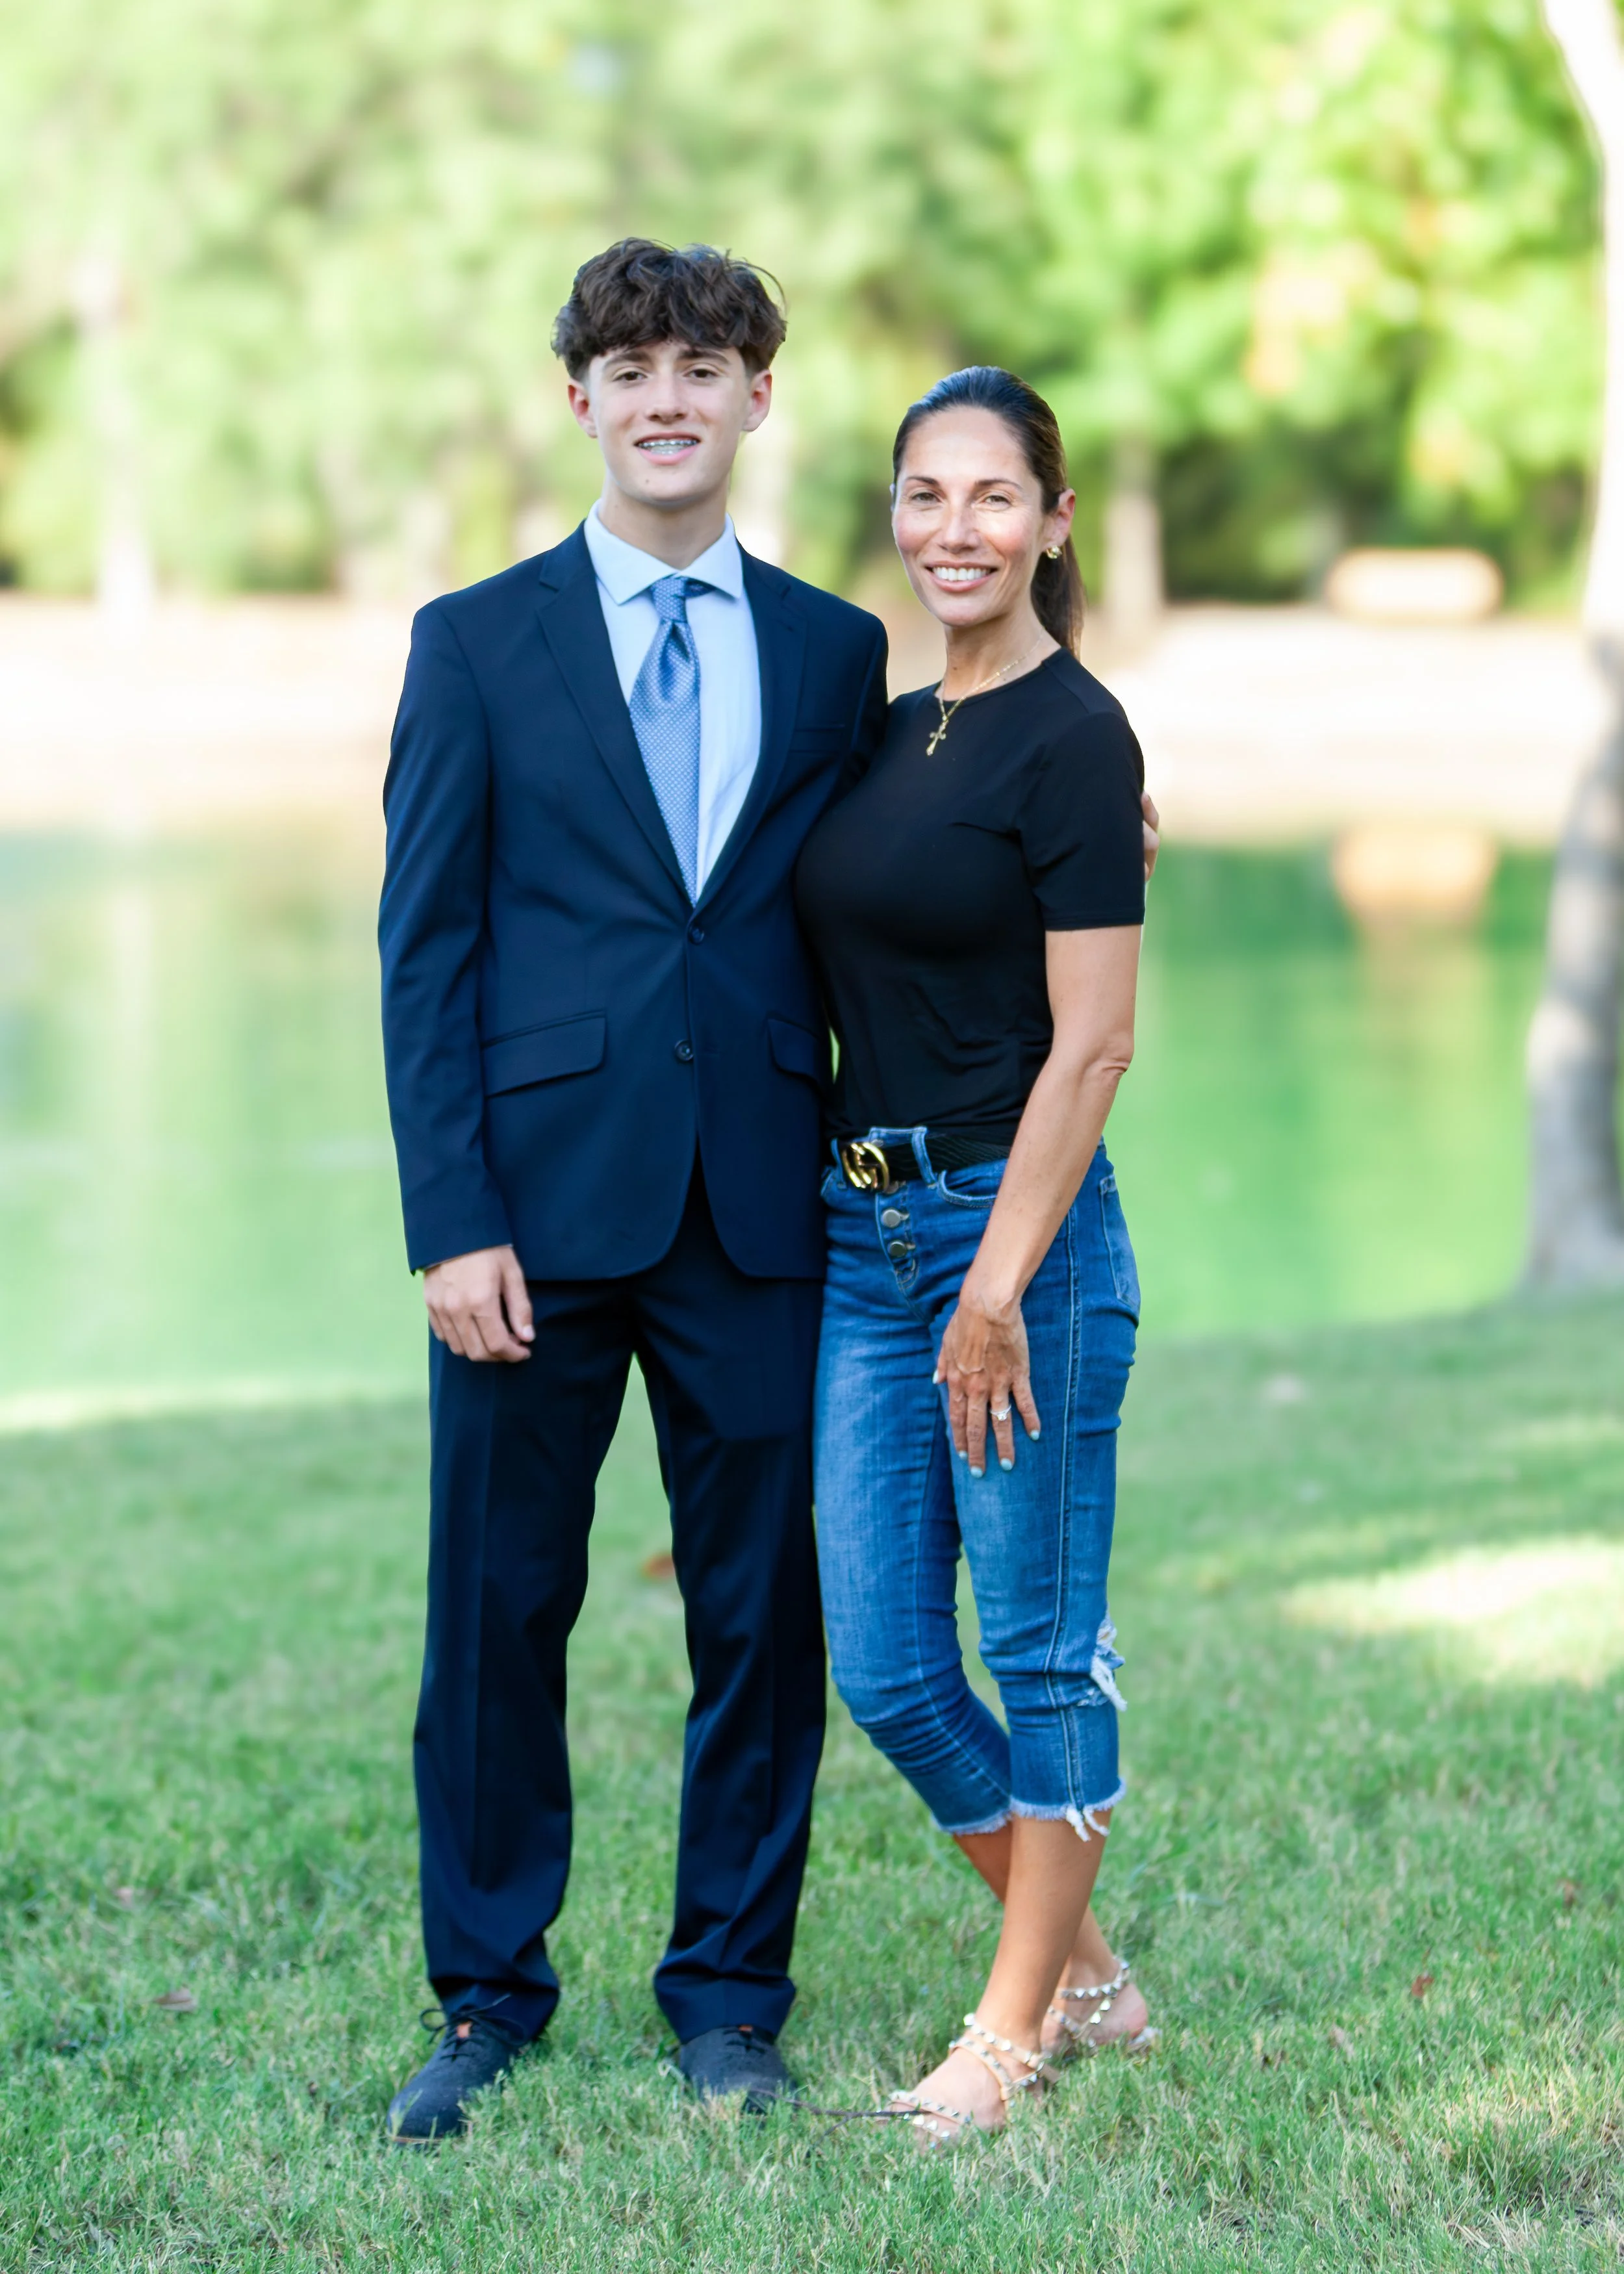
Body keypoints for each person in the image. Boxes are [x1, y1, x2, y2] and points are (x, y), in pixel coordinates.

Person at [377, 239, 893, 2139]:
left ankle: (729, 1996)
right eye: (629, 366)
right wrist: (448, 1215)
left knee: (765, 1617)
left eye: (704, 364)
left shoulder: (840, 653)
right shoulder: (475, 640)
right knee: (497, 1608)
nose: (666, 397)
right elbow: (423, 947)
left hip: (764, 1205)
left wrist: (1077, 830)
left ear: (760, 397)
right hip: (528, 1209)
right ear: (575, 399)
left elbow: (881, 901)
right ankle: (489, 1991)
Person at [794, 366, 1155, 2147]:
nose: (956, 530)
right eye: (925, 496)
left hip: (1012, 1247)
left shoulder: (1077, 735)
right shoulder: (886, 726)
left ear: (1052, 520)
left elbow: (1090, 1045)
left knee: (1035, 1643)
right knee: (883, 1659)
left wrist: (996, 1283)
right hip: (863, 1243)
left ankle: (1006, 2038)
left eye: (992, 497)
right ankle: (1082, 1963)